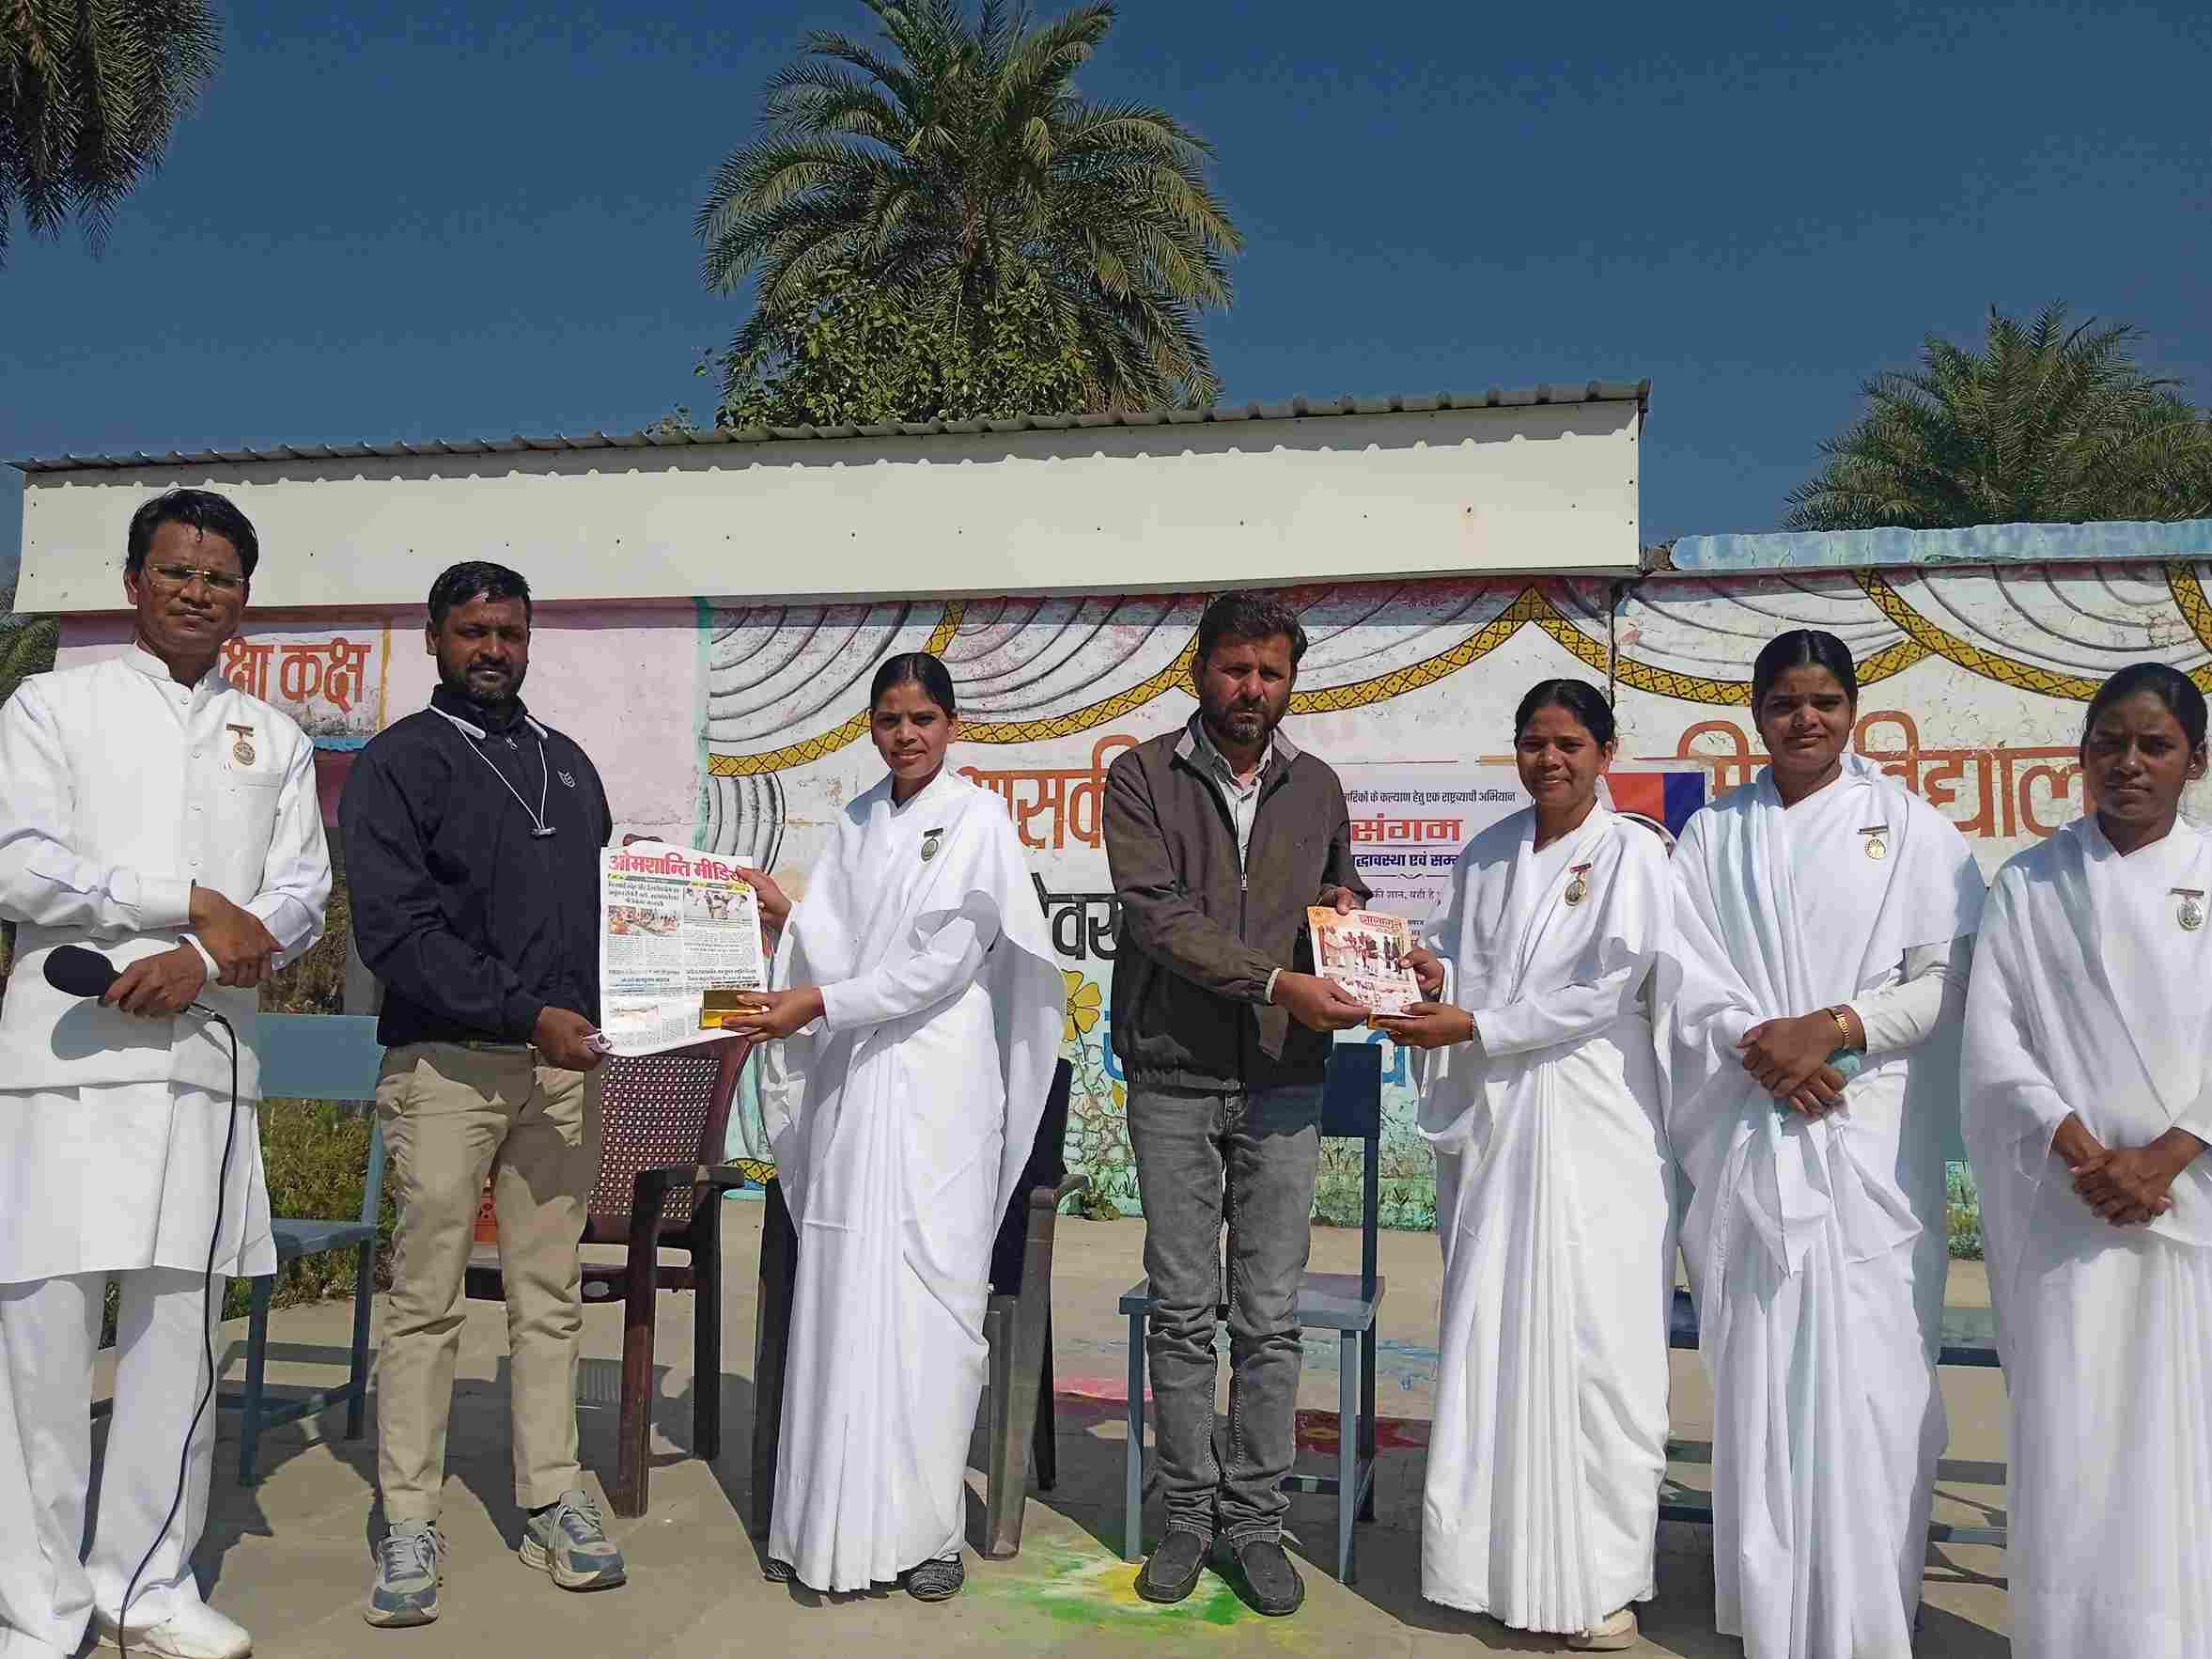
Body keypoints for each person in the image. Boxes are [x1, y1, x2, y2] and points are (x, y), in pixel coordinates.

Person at [0, 490, 332, 1659]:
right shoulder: (52, 705)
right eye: (178, 571)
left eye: (222, 576)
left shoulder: (273, 738)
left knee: (176, 1336)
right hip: (66, 1064)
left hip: (203, 1064)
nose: (199, 592)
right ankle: (35, 1608)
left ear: (246, 596)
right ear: (133, 581)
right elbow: (17, 862)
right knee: (42, 1344)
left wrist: (201, 957)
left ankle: (145, 1584)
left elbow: (299, 894)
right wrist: (177, 900)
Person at [1663, 629, 1984, 1658]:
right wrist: (1769, 1050)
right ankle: (1769, 1606)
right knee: (1760, 1373)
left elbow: (1942, 984)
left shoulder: (1914, 828)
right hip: (1753, 1125)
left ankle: (1868, 1605)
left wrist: (1836, 1029)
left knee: (1877, 1377)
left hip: (1867, 1141)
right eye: (1783, 702)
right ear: (1754, 713)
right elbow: (1683, 978)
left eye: (1824, 701)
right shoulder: (1713, 836)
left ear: (1854, 709)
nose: (1804, 719)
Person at [728, 651, 1062, 1601]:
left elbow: (942, 967)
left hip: (939, 1091)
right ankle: (818, 1525)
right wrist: (784, 919)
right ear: (871, 727)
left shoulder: (979, 819)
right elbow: (837, 941)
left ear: (951, 725)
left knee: (931, 1300)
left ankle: (926, 1533)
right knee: (839, 1294)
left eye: (921, 718)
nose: (905, 735)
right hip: (853, 1086)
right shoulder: (857, 821)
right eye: (888, 719)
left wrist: (816, 1001)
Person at [340, 562, 622, 1628]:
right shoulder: (398, 763)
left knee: (549, 1293)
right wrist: (524, 1011)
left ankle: (551, 1495)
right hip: (446, 1067)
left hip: (560, 1072)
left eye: (508, 631)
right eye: (471, 631)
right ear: (434, 638)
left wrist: (664, 980)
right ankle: (409, 1515)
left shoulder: (568, 764)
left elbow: (604, 911)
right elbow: (397, 935)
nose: (492, 649)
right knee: (427, 1299)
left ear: (529, 638)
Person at [1374, 681, 1674, 1652]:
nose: (1549, 760)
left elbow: (1608, 990)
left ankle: (1602, 1576)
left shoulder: (1633, 853)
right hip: (1500, 1123)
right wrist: (1430, 977)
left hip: (1596, 1119)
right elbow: (1459, 962)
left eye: (1569, 743)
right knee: (1491, 1331)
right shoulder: (1488, 852)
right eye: (1533, 742)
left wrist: (1479, 1023)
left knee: (1599, 1346)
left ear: (1605, 752)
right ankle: (1489, 1568)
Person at [1102, 590, 1371, 1616]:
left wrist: (1347, 915)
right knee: (1181, 1314)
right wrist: (1275, 981)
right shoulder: (1141, 775)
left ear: (1289, 679)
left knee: (1267, 1319)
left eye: (1270, 671)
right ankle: (1187, 1516)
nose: (1251, 688)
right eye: (1235, 668)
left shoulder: (1318, 785)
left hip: (1284, 1078)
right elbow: (1158, 918)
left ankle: (1254, 1522)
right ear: (1198, 670)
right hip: (1172, 1074)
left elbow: (1341, 889)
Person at [1961, 663, 2212, 1657]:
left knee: (2179, 1442)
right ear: (2080, 755)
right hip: (2067, 1209)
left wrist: (2166, 1157)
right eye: (2108, 743)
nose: (2127, 763)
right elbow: (1995, 1042)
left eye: (2154, 745)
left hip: (2188, 1208)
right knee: (2071, 1438)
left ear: (2195, 761)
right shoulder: (2031, 881)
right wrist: (2085, 1153)